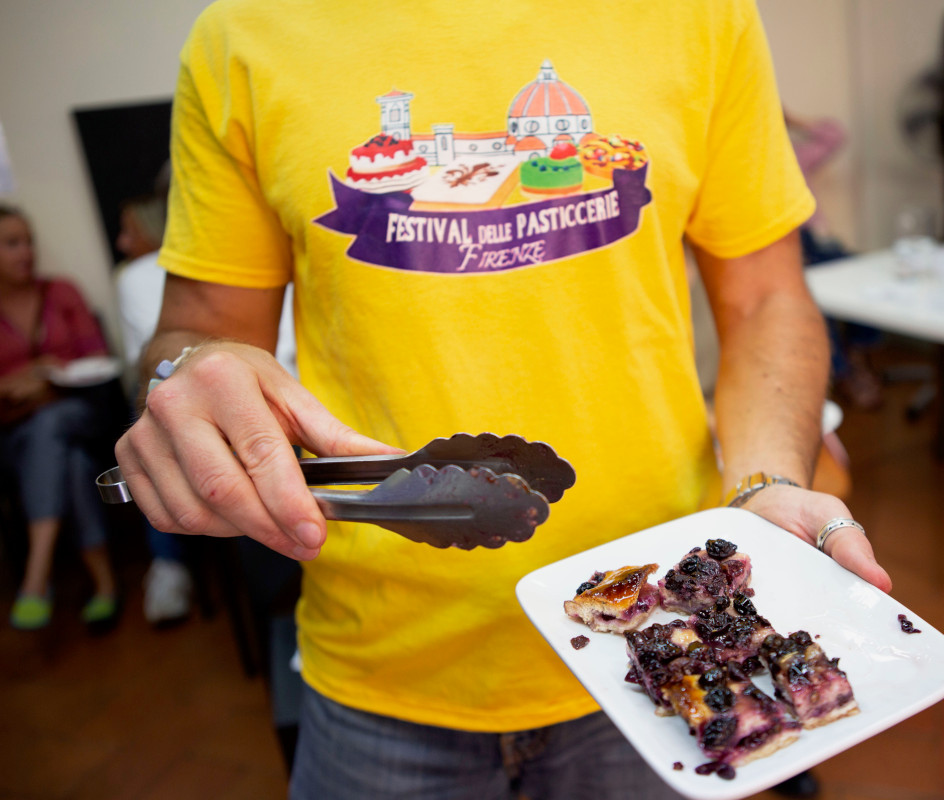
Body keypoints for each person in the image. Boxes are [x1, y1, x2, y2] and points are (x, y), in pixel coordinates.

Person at [114, 2, 892, 797]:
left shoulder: (700, 13)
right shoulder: (241, 35)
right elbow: (202, 330)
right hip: (381, 662)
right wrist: (190, 372)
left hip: (659, 624)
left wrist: (763, 484)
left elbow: (766, 297)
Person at [115, 190, 299, 625]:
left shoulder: (136, 276)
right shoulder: (150, 279)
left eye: (128, 230)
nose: (123, 241)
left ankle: (171, 566)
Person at [0, 204, 119, 630]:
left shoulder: (61, 292)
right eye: (12, 243)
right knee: (69, 463)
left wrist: (49, 381)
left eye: (28, 240)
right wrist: (24, 380)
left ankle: (35, 577)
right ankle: (105, 585)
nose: (26, 251)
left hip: (76, 415)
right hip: (16, 437)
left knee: (52, 428)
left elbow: (99, 362)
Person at [786, 113, 884, 411]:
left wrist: (792, 120)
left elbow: (834, 136)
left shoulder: (792, 156)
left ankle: (858, 351)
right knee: (814, 297)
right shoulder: (741, 162)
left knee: (865, 275)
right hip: (785, 243)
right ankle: (843, 373)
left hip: (816, 238)